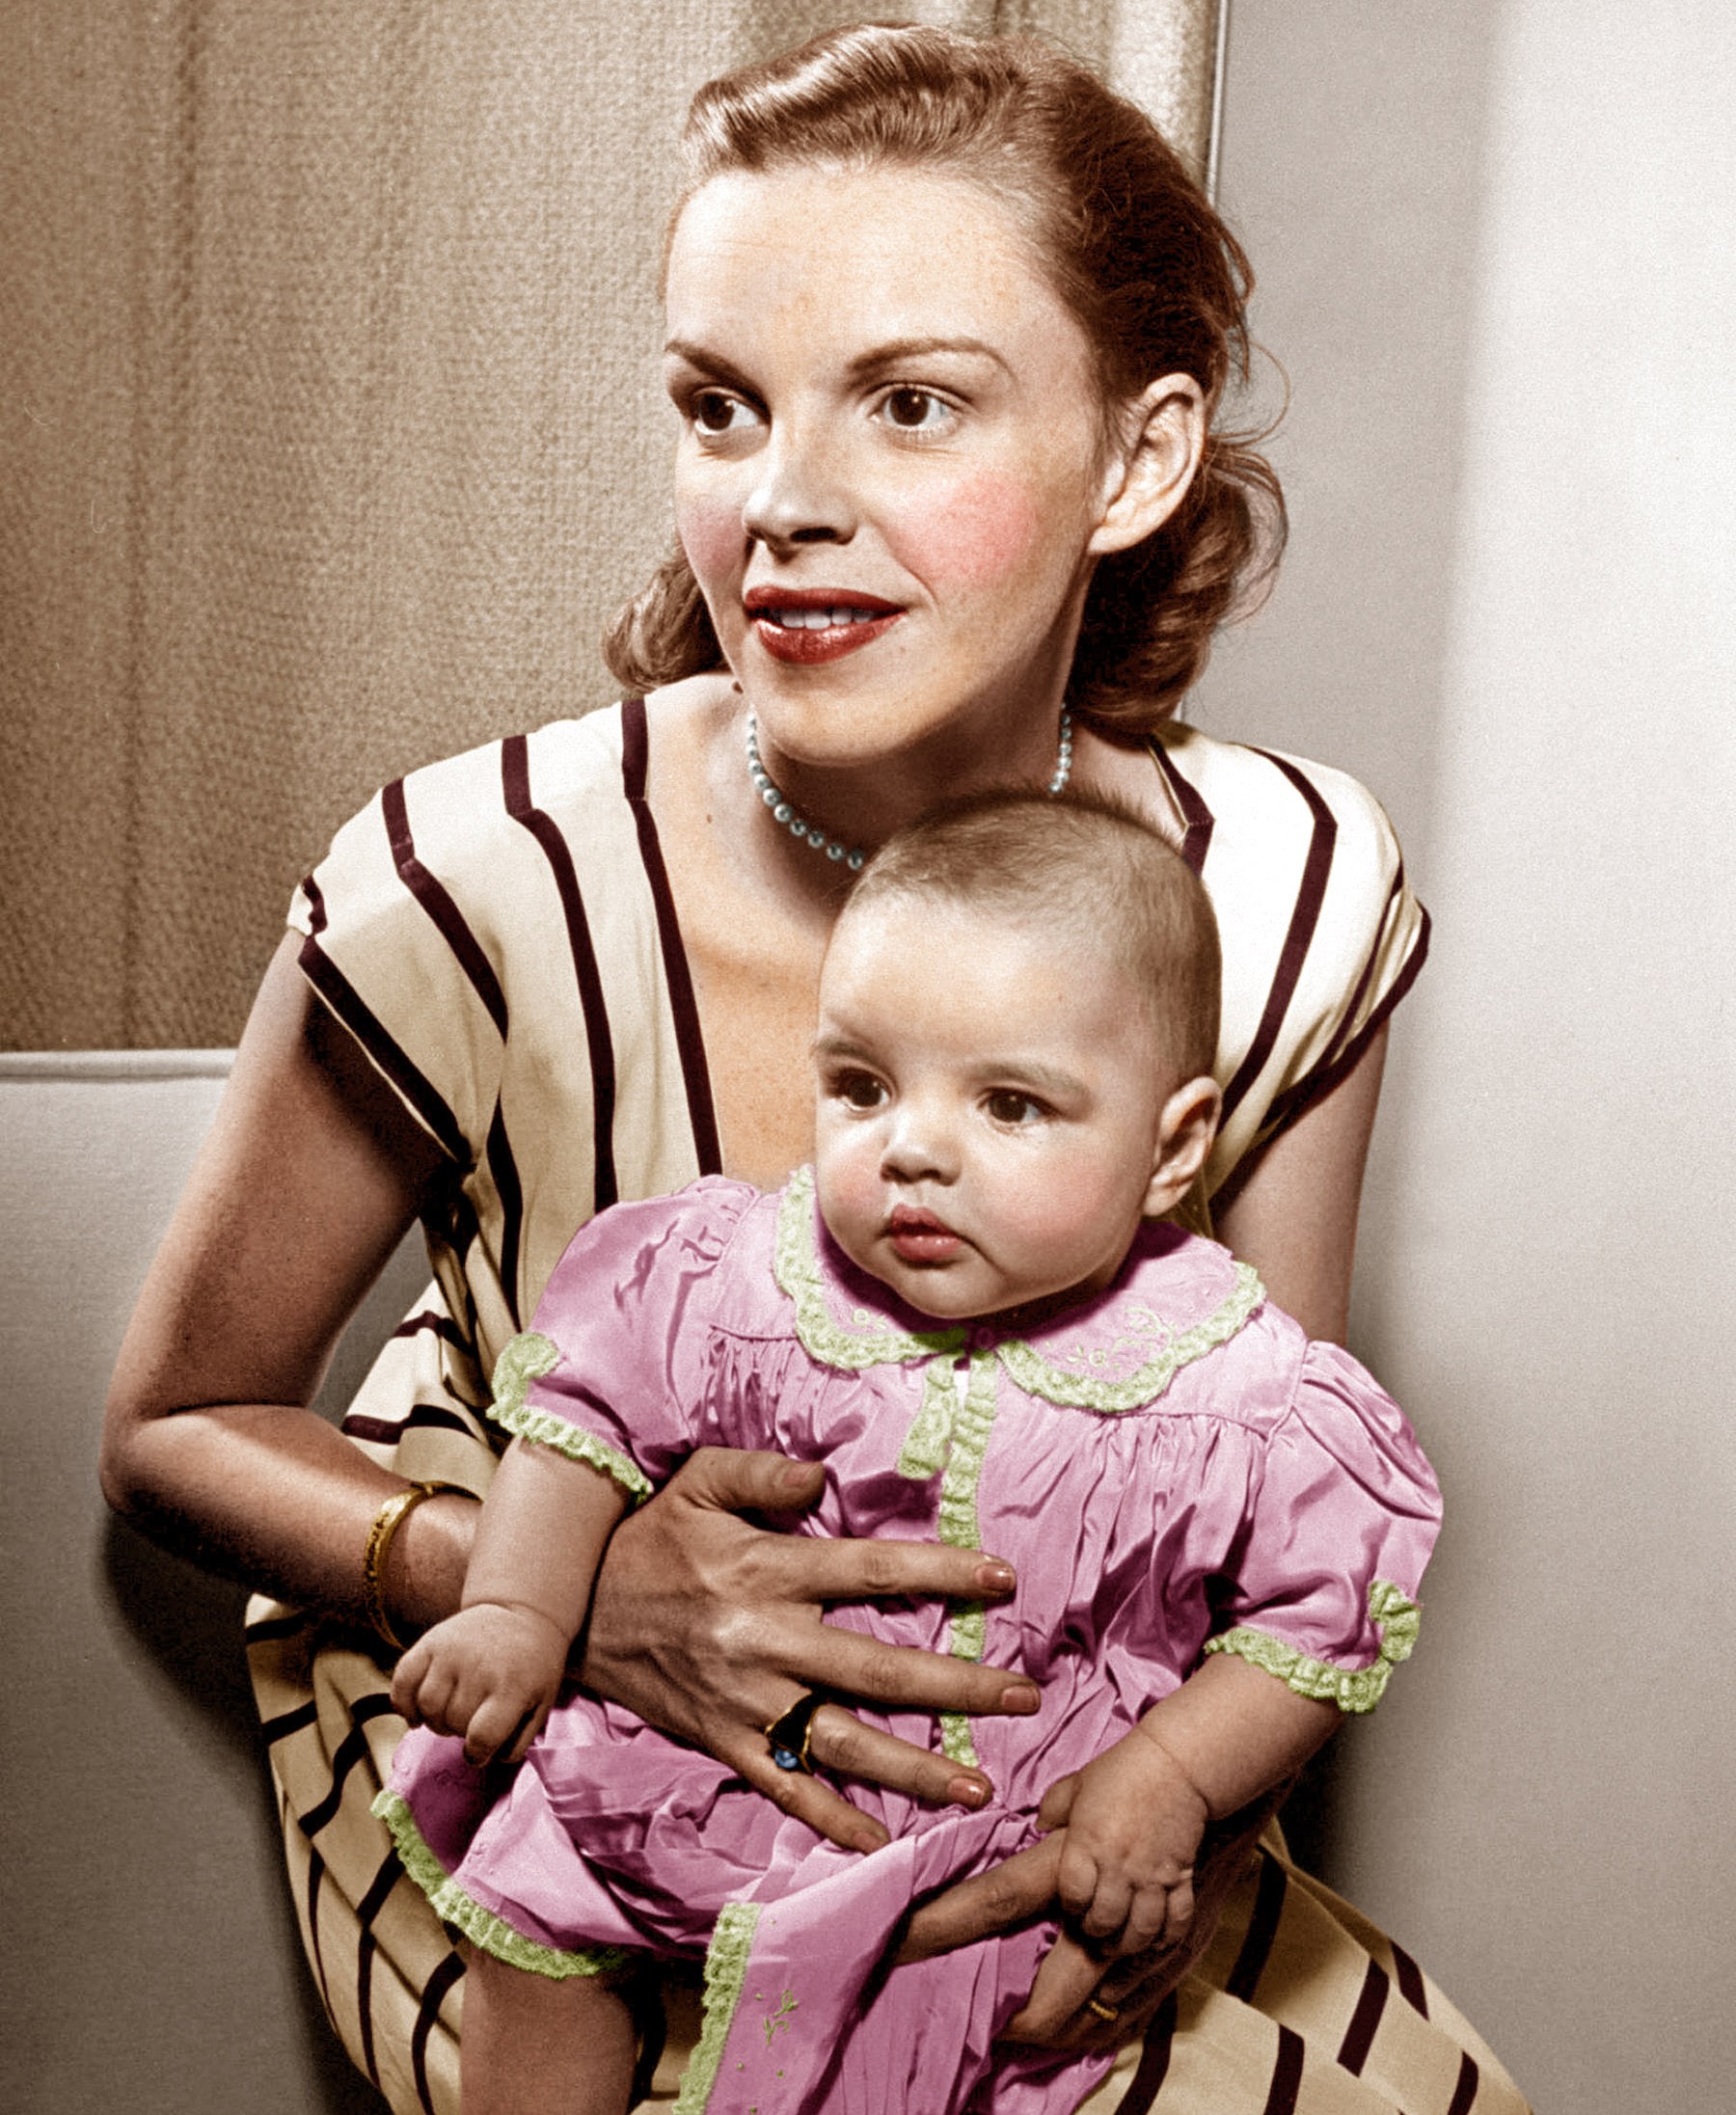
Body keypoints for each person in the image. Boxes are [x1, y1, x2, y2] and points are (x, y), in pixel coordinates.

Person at [101, 22, 1527, 2115]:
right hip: (525, 1748)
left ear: (1138, 458)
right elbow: (178, 1418)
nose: (779, 501)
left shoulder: (1294, 881)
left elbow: (1253, 1483)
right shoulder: (468, 872)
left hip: (1029, 1745)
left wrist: (1139, 1846)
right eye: (718, 405)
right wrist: (565, 1579)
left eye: (913, 402)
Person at [377, 791, 1443, 2115]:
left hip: (992, 1841)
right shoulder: (739, 1278)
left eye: (1009, 1103)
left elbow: (1313, 1621)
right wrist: (516, 1610)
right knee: (540, 1919)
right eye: (862, 1086)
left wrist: (1168, 1780)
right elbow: (579, 1416)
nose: (913, 1149)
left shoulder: (1235, 1385)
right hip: (693, 1770)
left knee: (979, 2039)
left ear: (1170, 1148)